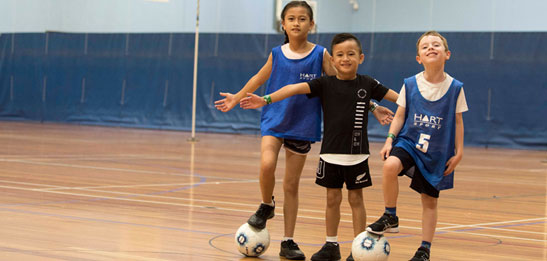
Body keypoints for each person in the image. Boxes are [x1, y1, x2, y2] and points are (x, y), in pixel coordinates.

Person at [240, 33, 399, 261]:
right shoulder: (325, 84)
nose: (345, 59)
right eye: (340, 55)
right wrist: (265, 100)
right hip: (330, 154)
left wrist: (420, 99)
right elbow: (292, 89)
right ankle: (331, 245)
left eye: (351, 54)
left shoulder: (368, 84)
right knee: (332, 200)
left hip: (357, 155)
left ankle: (358, 248)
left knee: (356, 200)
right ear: (332, 61)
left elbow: (400, 98)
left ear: (361, 57)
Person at [365, 30, 468, 261]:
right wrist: (390, 140)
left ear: (447, 54)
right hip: (410, 142)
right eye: (425, 46)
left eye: (436, 45)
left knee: (429, 201)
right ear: (418, 58)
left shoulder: (455, 88)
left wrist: (459, 153)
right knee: (390, 165)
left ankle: (424, 249)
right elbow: (400, 116)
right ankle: (390, 215)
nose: (431, 48)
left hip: (437, 152)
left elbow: (459, 121)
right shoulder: (410, 84)